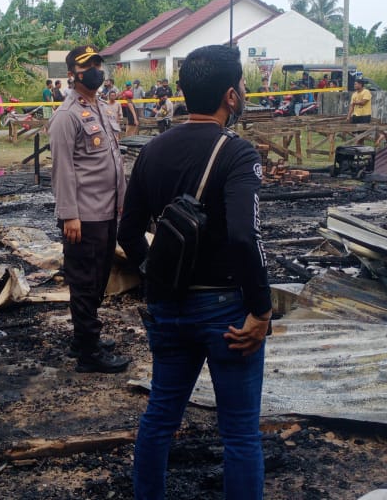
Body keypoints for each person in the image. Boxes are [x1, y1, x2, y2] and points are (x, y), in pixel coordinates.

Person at [118, 44, 271, 500]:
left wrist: (156, 278)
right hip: (227, 312)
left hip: (168, 309)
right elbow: (244, 236)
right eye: (242, 86)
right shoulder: (237, 153)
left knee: (160, 418)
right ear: (230, 96)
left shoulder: (152, 151)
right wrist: (261, 310)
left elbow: (128, 232)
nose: (243, 93)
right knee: (240, 433)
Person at [48, 45, 130, 374]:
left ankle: (83, 338)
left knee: (98, 279)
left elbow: (113, 160)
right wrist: (69, 214)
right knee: (84, 282)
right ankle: (89, 353)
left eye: (98, 64)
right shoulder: (66, 116)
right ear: (72, 74)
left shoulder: (103, 108)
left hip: (106, 210)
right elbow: (63, 169)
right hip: (83, 216)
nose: (96, 70)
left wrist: (122, 202)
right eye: (88, 66)